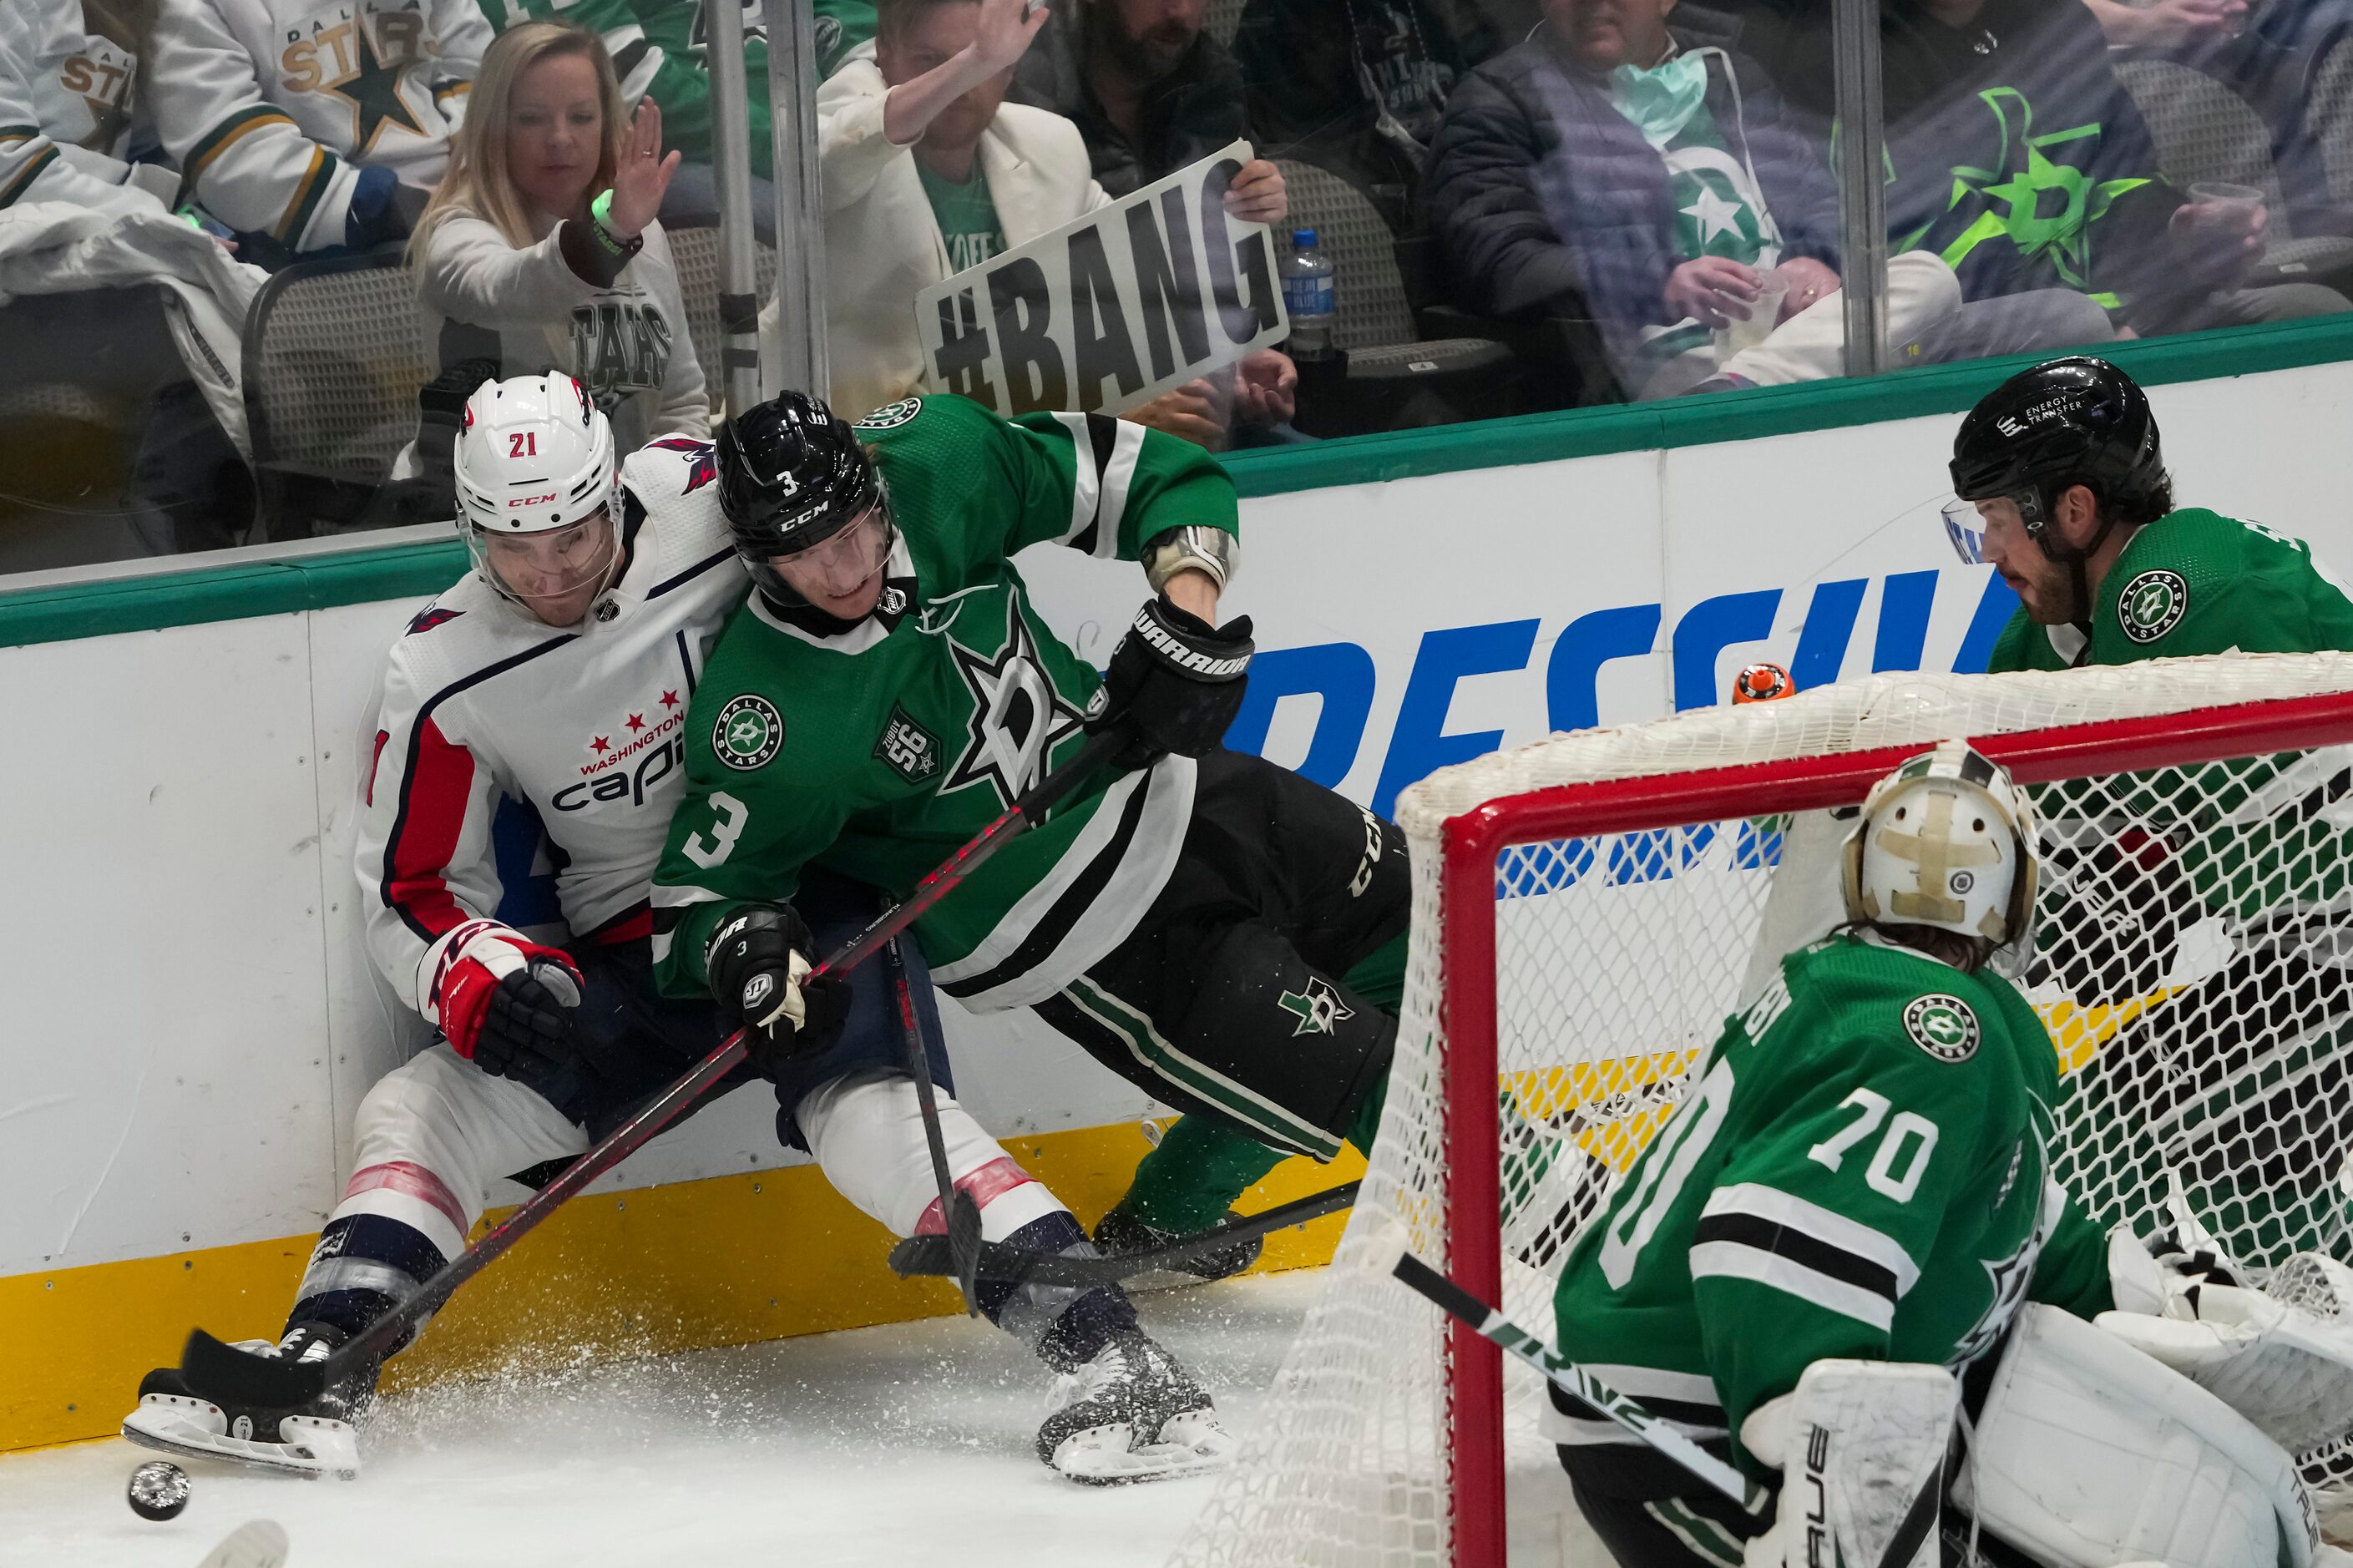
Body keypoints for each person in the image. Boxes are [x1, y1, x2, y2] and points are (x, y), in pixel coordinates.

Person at [120, 374, 1187, 1485]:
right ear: (468, 528)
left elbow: (860, 515)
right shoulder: (443, 669)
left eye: (576, 530)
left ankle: (1112, 1355)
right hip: (642, 961)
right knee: (416, 1106)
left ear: (613, 490)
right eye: (513, 543)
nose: (552, 568)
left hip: (800, 898)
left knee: (870, 1113)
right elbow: (414, 888)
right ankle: (322, 1367)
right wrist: (478, 974)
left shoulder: (700, 491)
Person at [645, 389, 1411, 1322]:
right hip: (1081, 928)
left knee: (1429, 926)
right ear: (759, 561)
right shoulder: (767, 720)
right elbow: (702, 901)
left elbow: (1156, 475)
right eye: (804, 557)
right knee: (1376, 1078)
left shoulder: (940, 460)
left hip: (1182, 787)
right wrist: (755, 961)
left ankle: (1165, 1223)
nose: (843, 571)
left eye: (853, 533)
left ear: (875, 491)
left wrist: (1189, 621)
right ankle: (1560, 1217)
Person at [1545, 740, 2350, 1567]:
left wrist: (2153, 1294)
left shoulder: (1913, 1003)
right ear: (2015, 894)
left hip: (1779, 1408)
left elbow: (1998, 1214)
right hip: (1694, 1437)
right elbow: (1774, 1250)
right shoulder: (1923, 1034)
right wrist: (1836, 1474)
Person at [1950, 353, 2353, 1267]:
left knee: (2125, 1138)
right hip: (2298, 955)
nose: (1987, 550)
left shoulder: (2181, 590)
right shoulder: (2055, 632)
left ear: (2075, 511)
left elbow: (2133, 918)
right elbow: (1999, 804)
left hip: (2329, 952)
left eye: (1998, 521)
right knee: (2176, 1143)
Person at [1422, 0, 2117, 399]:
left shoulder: (1732, 74)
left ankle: (1745, 395)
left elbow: (1816, 203)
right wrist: (1653, 283)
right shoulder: (1500, 98)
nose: (1594, 1)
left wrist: (1816, 264)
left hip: (1792, 330)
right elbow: (1500, 262)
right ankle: (1746, 392)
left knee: (2051, 314)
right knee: (1891, 316)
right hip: (1664, 346)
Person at [816, 0, 1293, 446]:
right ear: (883, 56)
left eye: (983, 61)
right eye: (929, 59)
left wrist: (1221, 356)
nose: (960, 83)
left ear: (1011, 68)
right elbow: (828, 157)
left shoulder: (1051, 145)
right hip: (861, 466)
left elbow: (1129, 291)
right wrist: (1106, 430)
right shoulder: (842, 125)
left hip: (1019, 460)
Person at [1755, 0, 2349, 338]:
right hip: (1964, 338)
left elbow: (2124, 180)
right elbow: (1867, 233)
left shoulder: (2057, 22)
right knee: (2076, 323)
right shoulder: (1844, 51)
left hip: (2121, 315)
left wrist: (2185, 237)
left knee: (2314, 317)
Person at [406, 22, 707, 471]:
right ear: (494, 127)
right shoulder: (453, 230)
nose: (560, 139)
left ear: (606, 122)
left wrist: (658, 498)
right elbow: (514, 288)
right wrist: (612, 233)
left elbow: (680, 405)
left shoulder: (640, 229)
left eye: (582, 117)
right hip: (483, 517)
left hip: (621, 513)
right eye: (531, 119)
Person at [146, 0, 489, 266]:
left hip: (471, 201)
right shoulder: (196, 8)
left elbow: (477, 72)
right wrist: (394, 207)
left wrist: (483, 173)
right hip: (328, 253)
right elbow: (233, 155)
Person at [1232, 0, 1498, 214]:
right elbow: (1310, 161)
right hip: (1369, 216)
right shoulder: (1277, 20)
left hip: (1474, 191)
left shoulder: (1433, 10)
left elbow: (1489, 97)